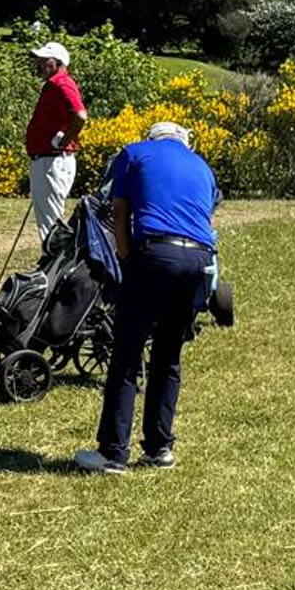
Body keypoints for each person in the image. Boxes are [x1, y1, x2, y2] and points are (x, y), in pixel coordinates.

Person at [75, 120, 219, 474]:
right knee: (168, 356)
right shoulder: (202, 166)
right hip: (199, 261)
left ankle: (113, 453)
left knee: (127, 354)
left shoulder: (135, 153)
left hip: (154, 253)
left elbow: (119, 210)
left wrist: (126, 260)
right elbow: (206, 217)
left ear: (152, 137)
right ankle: (159, 447)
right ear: (184, 141)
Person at [24, 41, 88, 240]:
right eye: (40, 60)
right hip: (49, 160)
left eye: (46, 60)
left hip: (51, 160)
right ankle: (54, 257)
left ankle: (54, 259)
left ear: (59, 62)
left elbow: (80, 115)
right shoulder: (56, 83)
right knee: (50, 221)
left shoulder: (61, 82)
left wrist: (64, 141)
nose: (41, 64)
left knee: (51, 224)